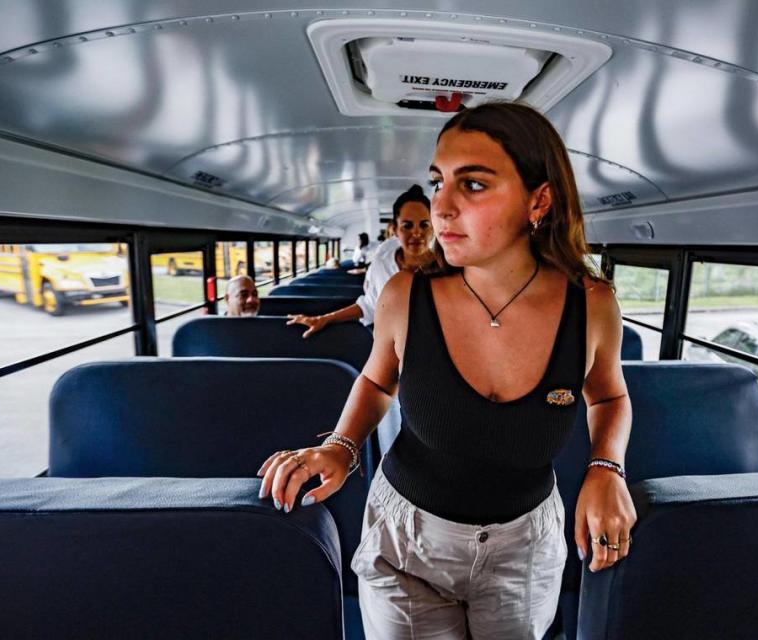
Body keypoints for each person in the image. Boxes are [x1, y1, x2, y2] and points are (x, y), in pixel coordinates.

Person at [257, 102, 634, 639]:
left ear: (539, 199)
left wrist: (606, 469)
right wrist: (340, 446)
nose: (442, 207)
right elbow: (376, 378)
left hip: (526, 545)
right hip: (406, 540)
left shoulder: (591, 304)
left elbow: (608, 397)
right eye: (438, 183)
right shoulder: (405, 295)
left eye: (473, 185)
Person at [286, 185, 435, 338]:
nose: (417, 232)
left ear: (434, 228)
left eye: (424, 225)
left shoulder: (448, 266)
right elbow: (370, 306)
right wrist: (323, 319)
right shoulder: (382, 264)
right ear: (395, 230)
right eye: (407, 226)